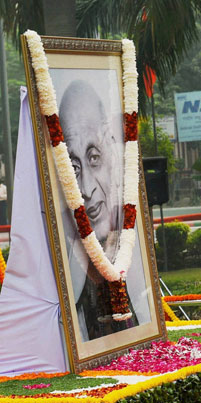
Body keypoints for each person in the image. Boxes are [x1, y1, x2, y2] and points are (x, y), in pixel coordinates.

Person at [60, 80, 150, 341]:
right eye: (74, 168)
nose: (86, 188)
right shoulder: (65, 251)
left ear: (111, 150)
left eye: (94, 158)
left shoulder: (130, 231)